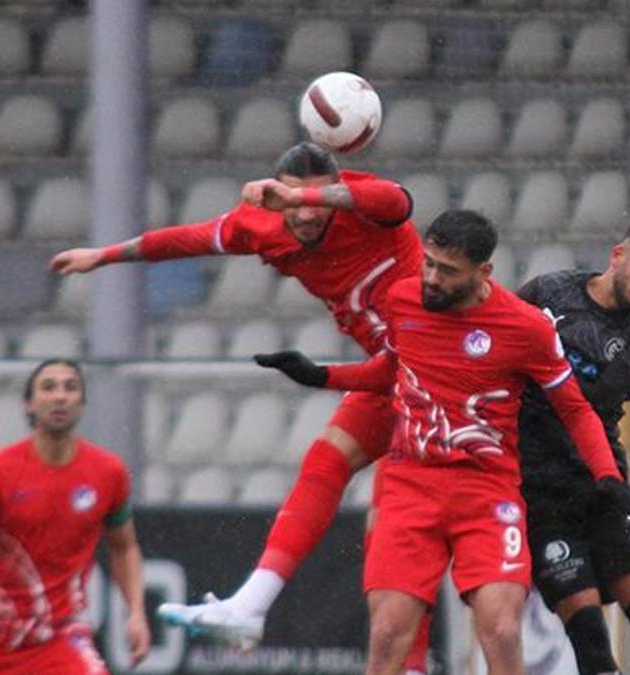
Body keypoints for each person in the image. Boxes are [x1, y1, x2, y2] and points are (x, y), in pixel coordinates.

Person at [49, 142, 430, 664]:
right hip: (395, 377)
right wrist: (105, 255)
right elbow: (185, 239)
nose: (306, 213)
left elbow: (399, 201)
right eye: (294, 202)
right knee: (335, 470)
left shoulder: (363, 204)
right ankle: (251, 606)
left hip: (439, 376)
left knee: (399, 541)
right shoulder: (264, 226)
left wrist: (316, 195)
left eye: (317, 201)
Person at [254, 210, 630, 675]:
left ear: (484, 273)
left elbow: (575, 409)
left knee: (501, 629)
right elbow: (391, 370)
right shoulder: (404, 299)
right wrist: (321, 376)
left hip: (487, 491)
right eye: (428, 263)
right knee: (386, 633)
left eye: (447, 271)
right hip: (411, 484)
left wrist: (607, 475)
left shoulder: (526, 328)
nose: (431, 278)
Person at [516, 220, 630, 675]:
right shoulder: (548, 292)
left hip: (602, 483)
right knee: (592, 646)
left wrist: (529, 381)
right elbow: (497, 337)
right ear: (618, 256)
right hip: (538, 488)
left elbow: (589, 402)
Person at [0, 359, 150, 674]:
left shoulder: (108, 472)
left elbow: (124, 546)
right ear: (30, 404)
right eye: (48, 387)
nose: (60, 396)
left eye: (70, 387)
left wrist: (136, 613)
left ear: (82, 403)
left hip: (61, 636)